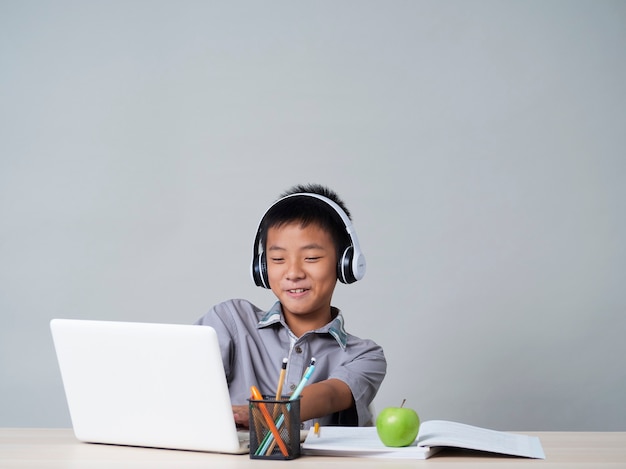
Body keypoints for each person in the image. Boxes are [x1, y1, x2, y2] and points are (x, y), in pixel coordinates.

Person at [195, 184, 386, 429]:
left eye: (311, 258)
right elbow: (183, 383)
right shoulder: (230, 321)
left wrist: (263, 414)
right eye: (277, 259)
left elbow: (331, 394)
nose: (293, 273)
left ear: (344, 263)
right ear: (262, 268)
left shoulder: (364, 355)